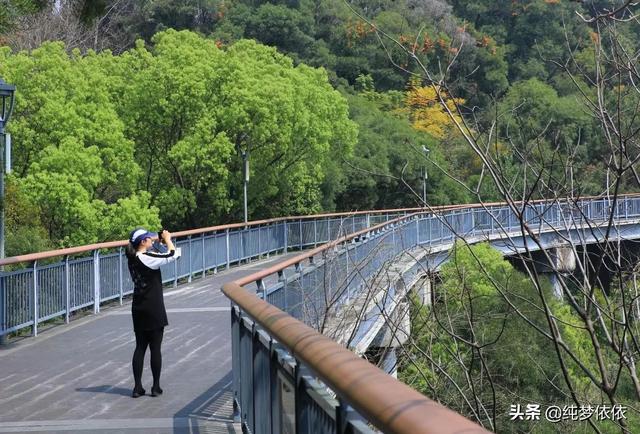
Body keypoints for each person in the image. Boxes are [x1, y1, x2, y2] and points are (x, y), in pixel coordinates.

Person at [126, 228, 181, 398]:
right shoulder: (147, 257)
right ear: (143, 242)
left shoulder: (133, 257)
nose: (152, 240)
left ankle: (137, 387)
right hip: (153, 307)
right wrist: (168, 239)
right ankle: (155, 387)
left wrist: (158, 240)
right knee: (155, 348)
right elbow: (172, 255)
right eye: (149, 239)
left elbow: (156, 253)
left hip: (138, 307)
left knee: (140, 347)